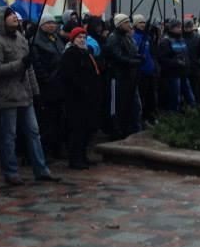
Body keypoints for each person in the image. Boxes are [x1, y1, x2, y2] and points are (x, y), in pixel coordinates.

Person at [0, 7, 59, 185]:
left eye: (13, 14)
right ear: (1, 21)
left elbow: (30, 69)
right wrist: (19, 64)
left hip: (25, 94)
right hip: (7, 95)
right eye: (8, 15)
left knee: (34, 132)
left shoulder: (21, 38)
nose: (13, 17)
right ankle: (10, 172)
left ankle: (41, 169)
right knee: (9, 135)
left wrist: (36, 92)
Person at [59, 27, 102, 169]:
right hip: (76, 98)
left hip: (89, 97)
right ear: (73, 39)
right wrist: (82, 87)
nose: (82, 40)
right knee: (77, 129)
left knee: (87, 128)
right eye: (79, 37)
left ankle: (83, 155)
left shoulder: (86, 53)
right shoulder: (70, 54)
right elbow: (69, 75)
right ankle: (75, 158)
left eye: (84, 37)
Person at [31, 14, 66, 159]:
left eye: (53, 23)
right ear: (42, 25)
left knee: (59, 118)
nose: (52, 25)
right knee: (46, 120)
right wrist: (46, 78)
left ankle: (57, 148)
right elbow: (37, 64)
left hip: (59, 84)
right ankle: (45, 151)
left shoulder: (57, 38)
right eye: (48, 23)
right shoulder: (36, 41)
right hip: (46, 85)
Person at [104, 13, 142, 138]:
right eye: (126, 23)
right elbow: (118, 57)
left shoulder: (127, 37)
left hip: (130, 76)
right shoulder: (113, 38)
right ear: (119, 24)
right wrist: (134, 62)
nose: (129, 25)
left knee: (133, 105)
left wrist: (138, 57)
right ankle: (119, 131)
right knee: (120, 105)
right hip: (119, 77)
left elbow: (131, 52)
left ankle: (133, 129)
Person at [156, 19, 195, 112]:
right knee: (174, 97)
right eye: (177, 27)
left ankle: (194, 113)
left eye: (180, 26)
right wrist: (176, 62)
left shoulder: (181, 39)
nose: (180, 29)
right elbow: (162, 59)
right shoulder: (166, 41)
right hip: (172, 75)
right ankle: (173, 117)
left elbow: (186, 54)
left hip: (183, 73)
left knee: (190, 97)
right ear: (172, 28)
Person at [131, 14, 158, 126]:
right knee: (143, 97)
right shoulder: (134, 37)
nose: (143, 24)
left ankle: (151, 116)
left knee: (151, 96)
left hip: (150, 71)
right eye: (140, 22)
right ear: (135, 24)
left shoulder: (147, 37)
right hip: (141, 72)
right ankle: (142, 119)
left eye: (143, 22)